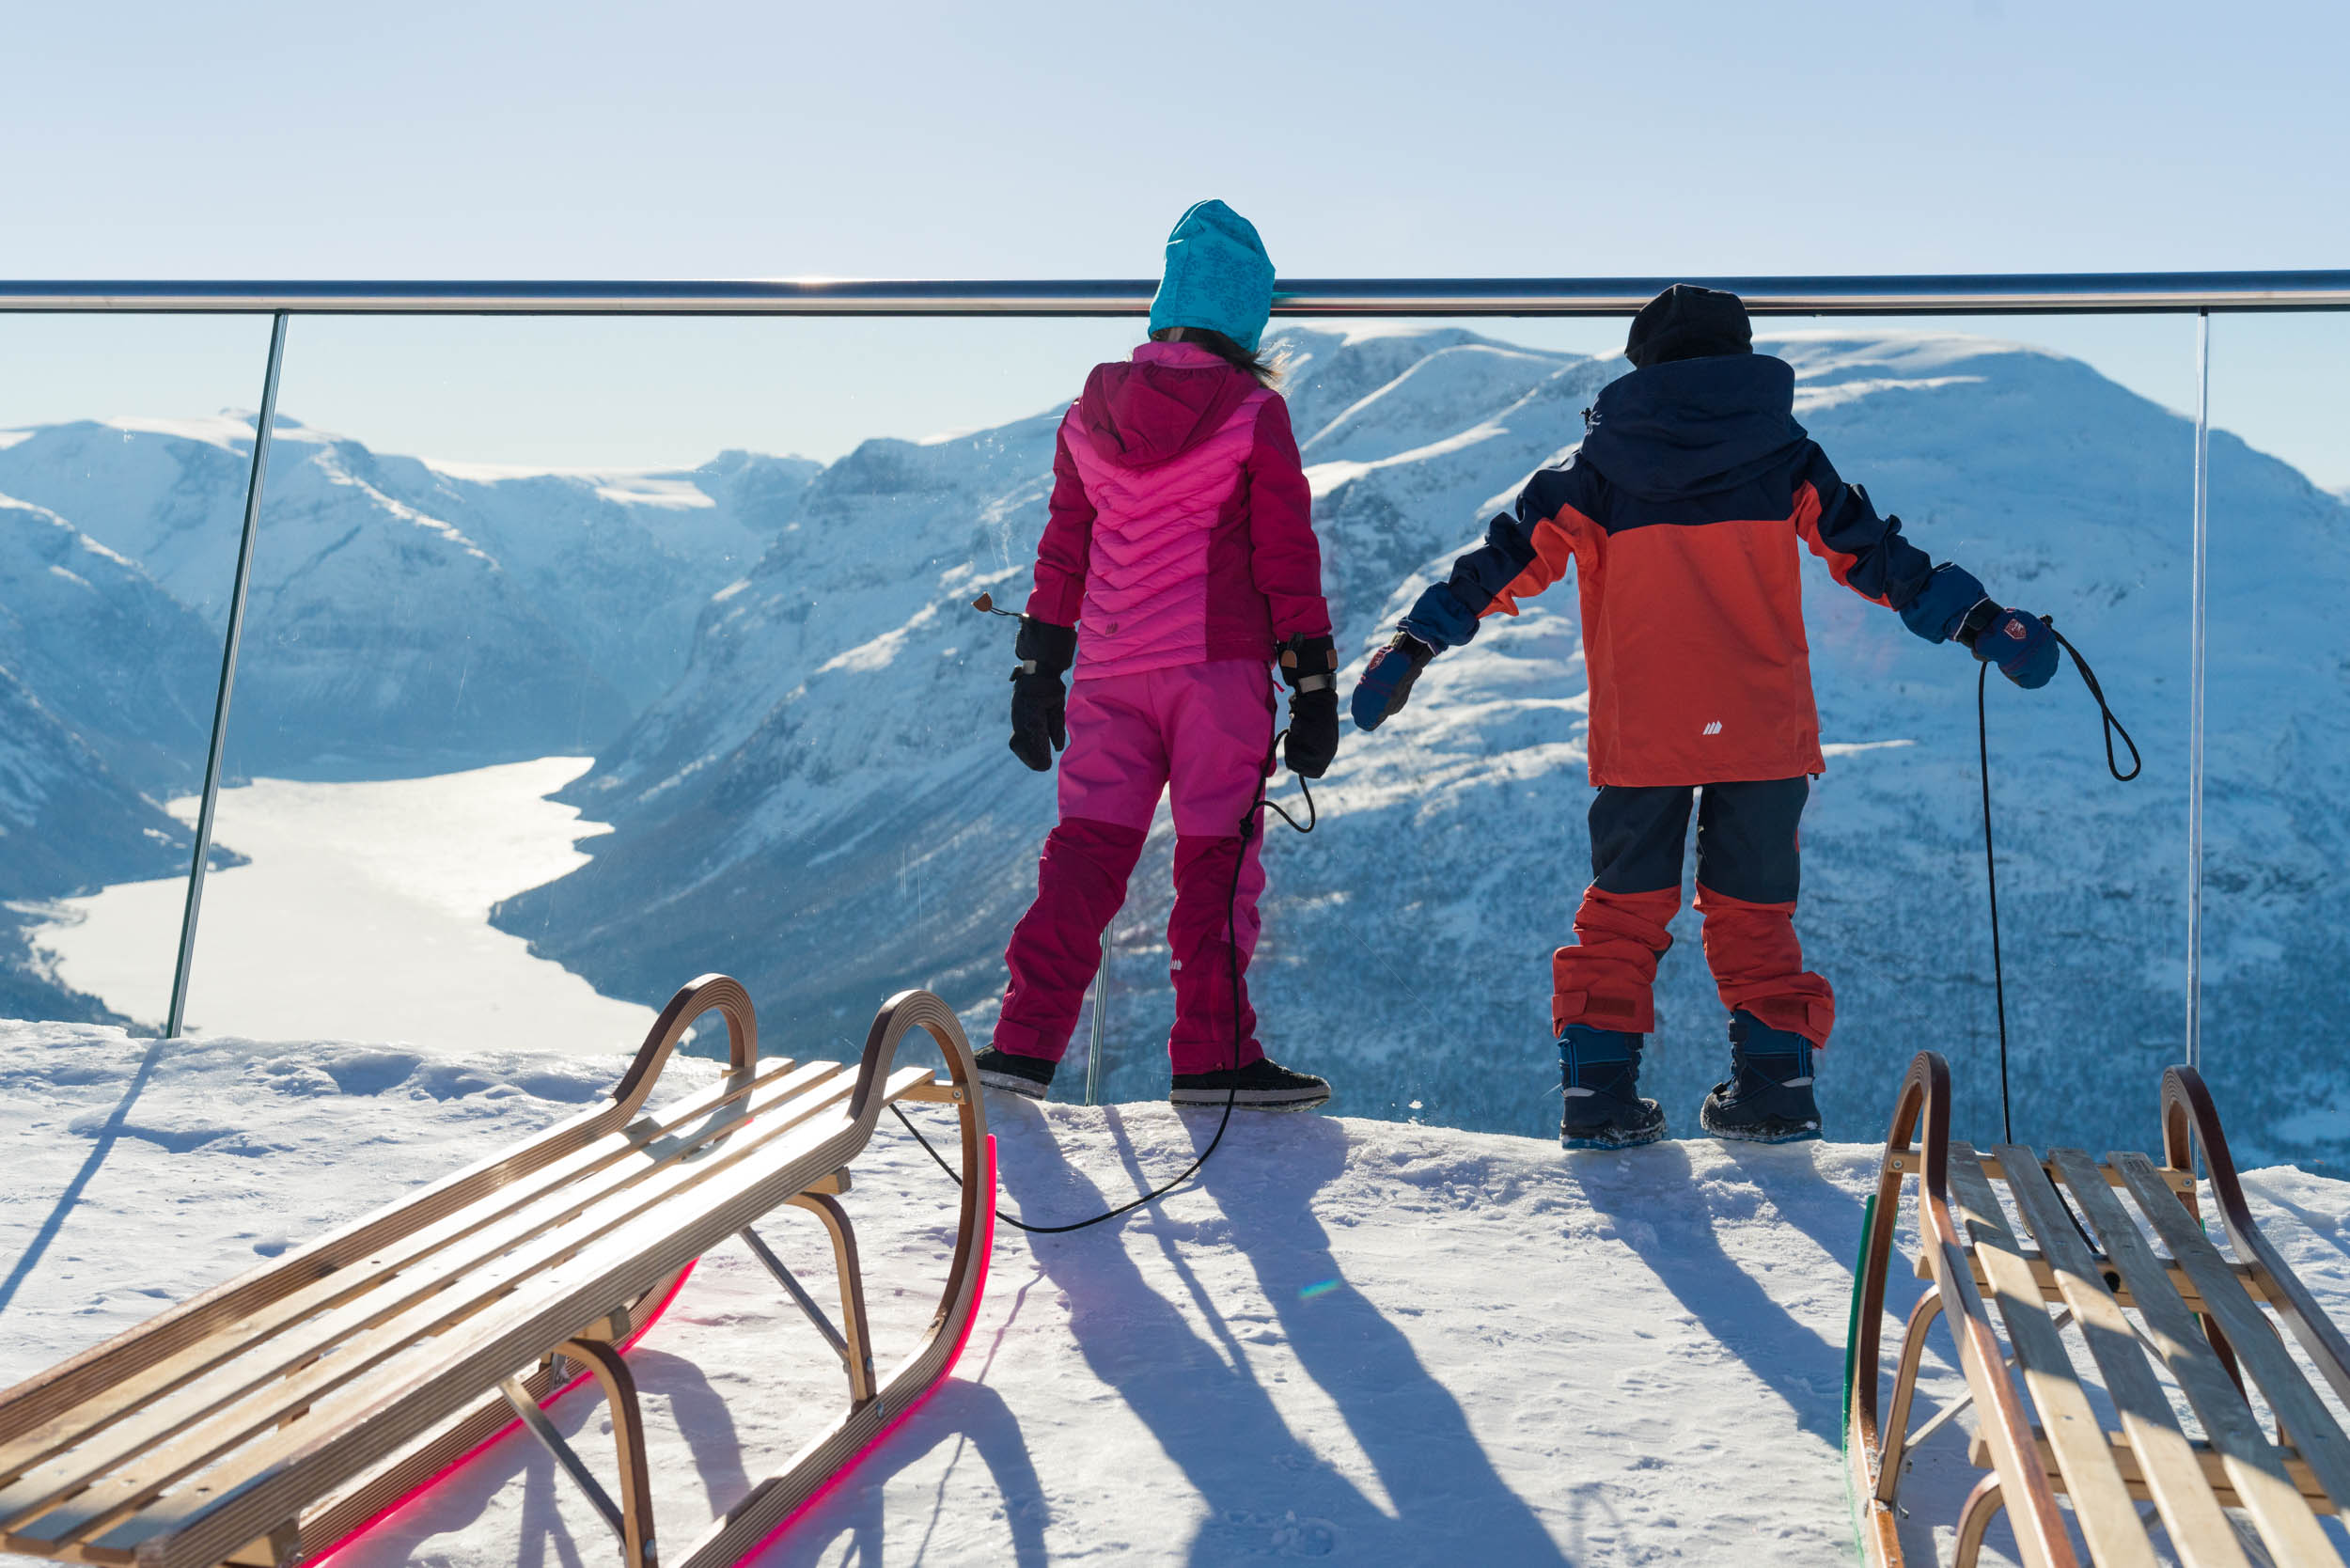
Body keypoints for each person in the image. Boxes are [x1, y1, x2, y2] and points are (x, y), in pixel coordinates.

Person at [1349, 284, 2058, 1149]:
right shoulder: (1786, 455)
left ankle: (1599, 1101)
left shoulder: (1598, 469)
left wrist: (1415, 644)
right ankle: (1775, 1093)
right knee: (1755, 911)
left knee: (1624, 908)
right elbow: (1875, 556)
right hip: (1762, 726)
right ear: (1742, 360)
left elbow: (1502, 561)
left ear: (1642, 367)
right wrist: (1979, 621)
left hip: (1645, 729)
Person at [976, 199, 1340, 1111]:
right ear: (1249, 320)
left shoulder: (1086, 412)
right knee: (1215, 867)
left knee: (1083, 858)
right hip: (1215, 677)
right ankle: (1213, 1059)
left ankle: (1021, 1047)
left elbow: (1064, 548)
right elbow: (1285, 560)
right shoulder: (1253, 412)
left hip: (1104, 673)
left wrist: (1037, 669)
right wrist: (1314, 686)